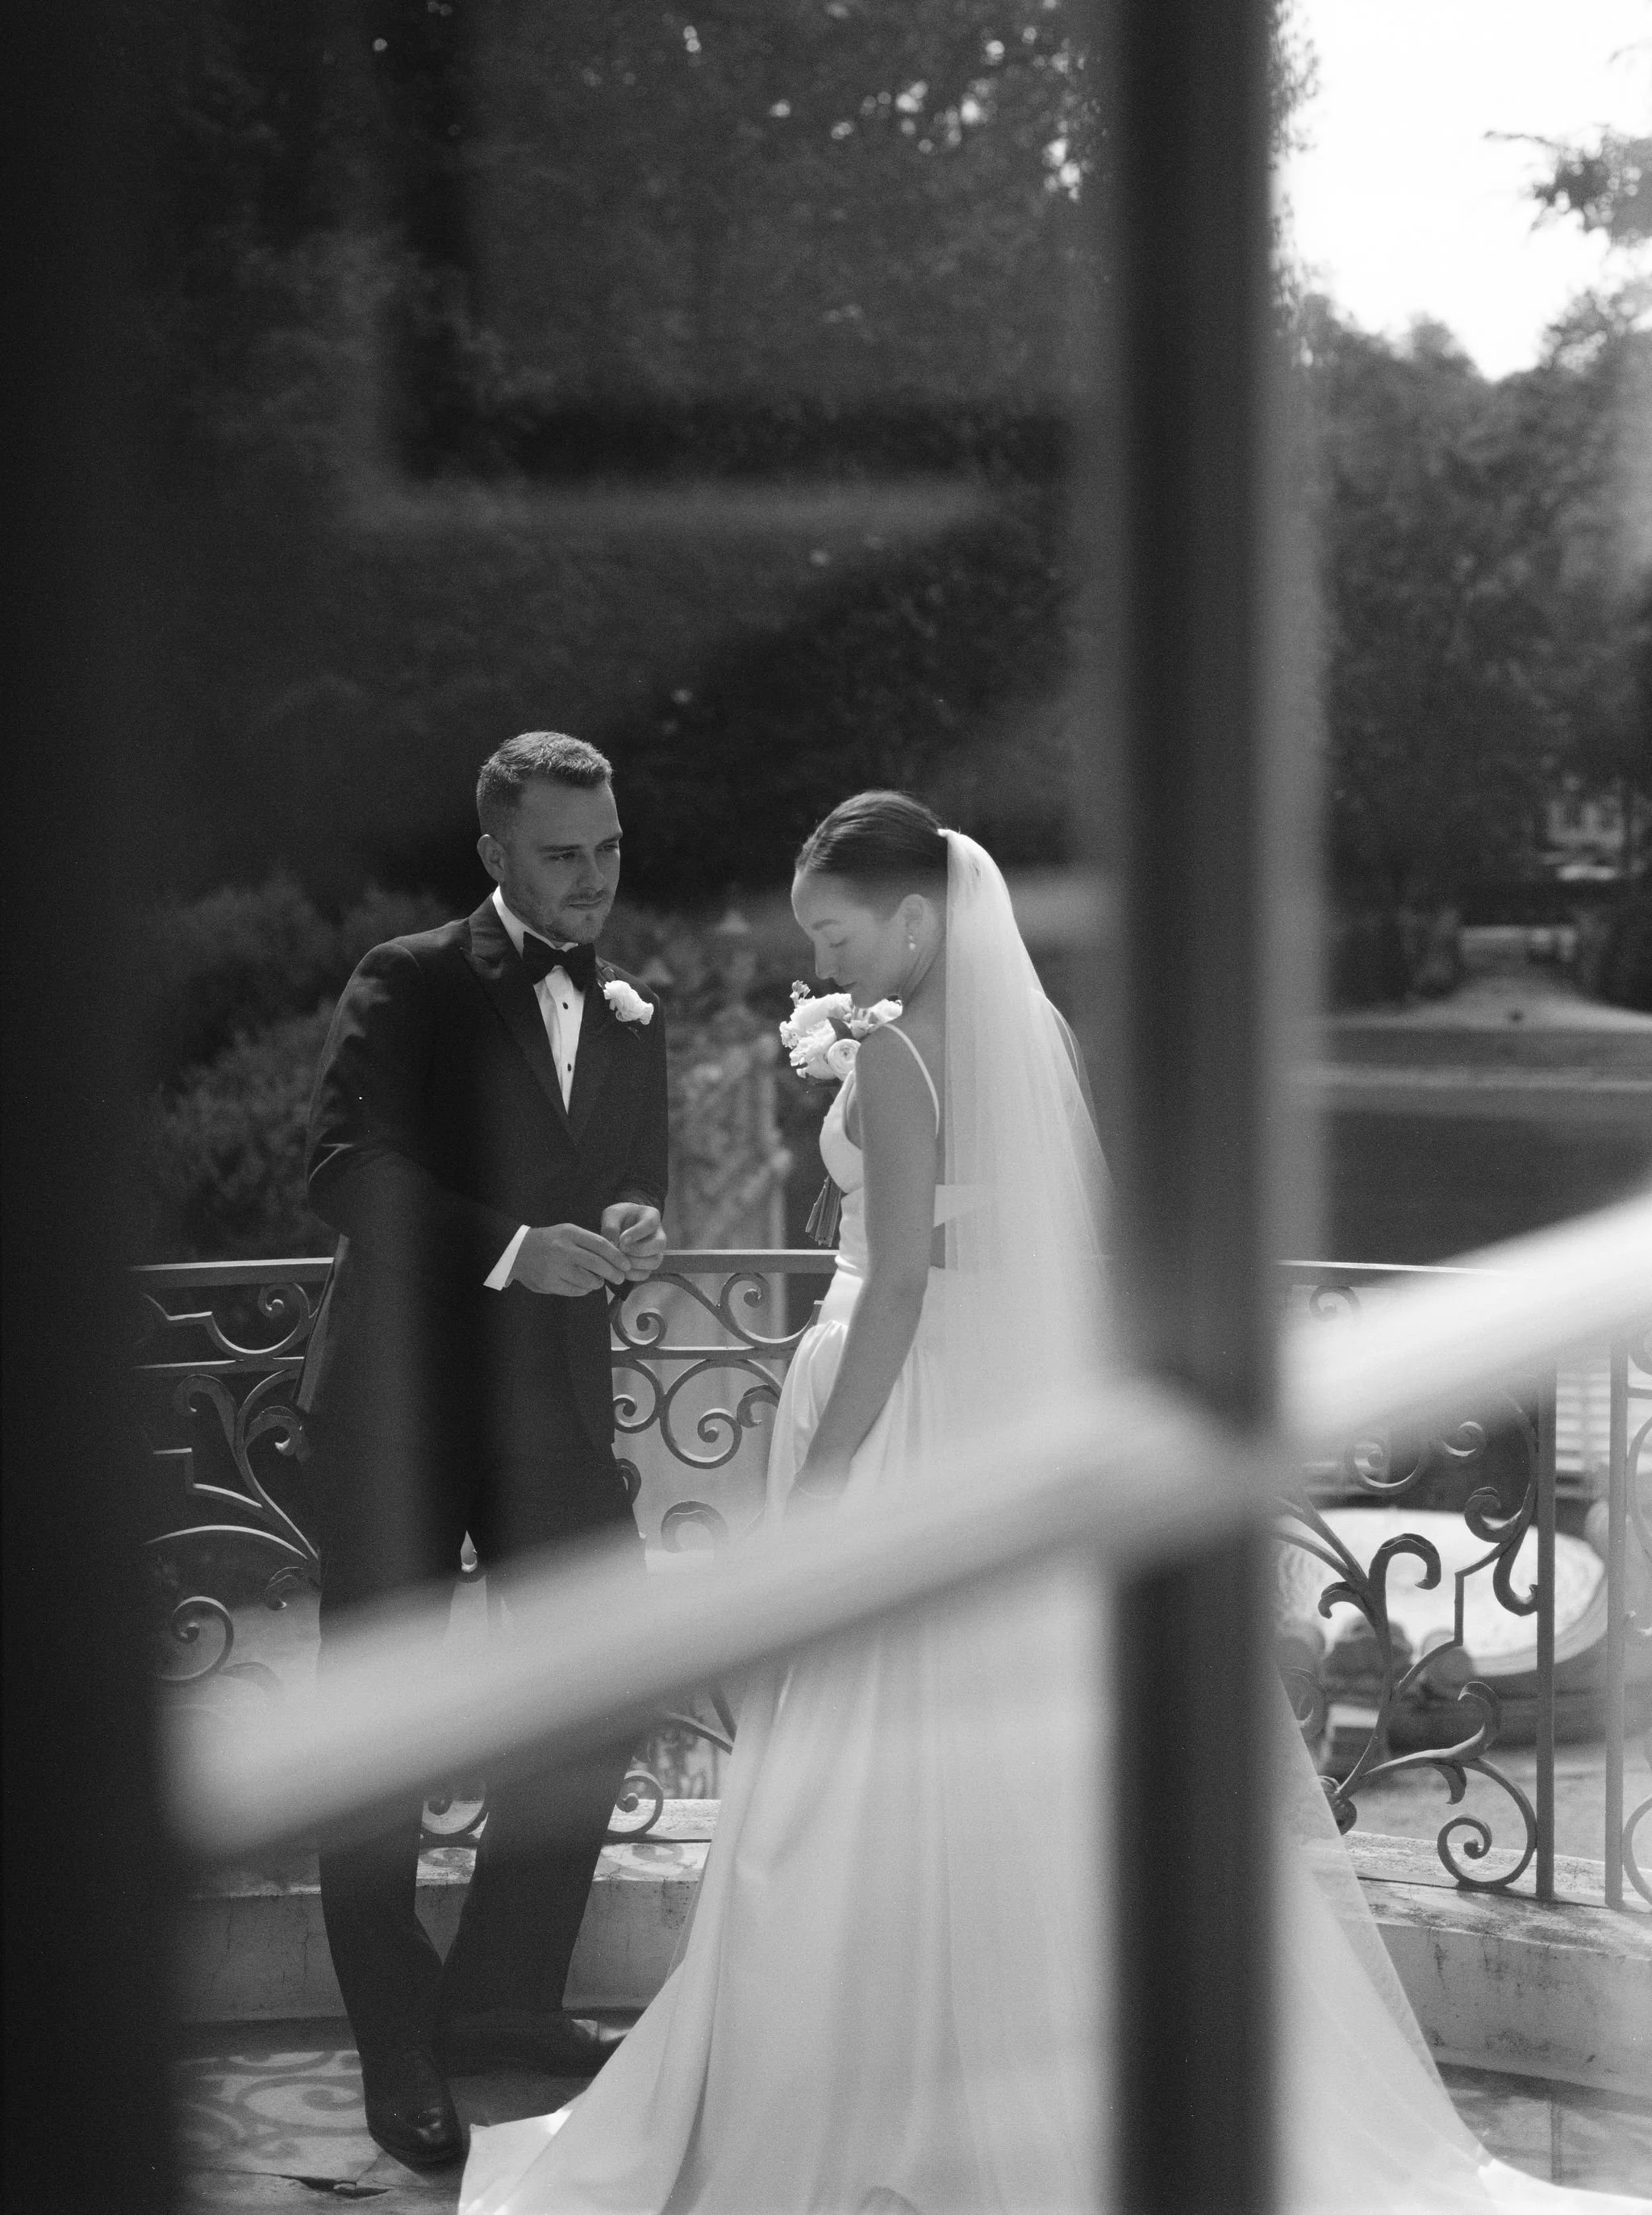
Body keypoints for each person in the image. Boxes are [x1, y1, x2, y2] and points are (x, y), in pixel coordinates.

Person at [459, 794, 1648, 2215]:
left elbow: (894, 1285)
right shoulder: (1015, 1038)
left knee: (850, 1755)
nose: (825, 965)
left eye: (837, 933)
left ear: (913, 918)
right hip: (987, 1411)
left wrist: (820, 1494)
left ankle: (856, 2089)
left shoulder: (896, 1052)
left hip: (900, 1424)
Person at [300, 731, 670, 2171]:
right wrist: (515, 1249)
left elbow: (630, 1171)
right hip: (398, 1410)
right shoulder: (406, 980)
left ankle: (503, 1995)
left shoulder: (634, 1014)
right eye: (564, 853)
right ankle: (398, 2035)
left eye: (611, 849)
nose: (593, 879)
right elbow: (340, 1166)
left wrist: (633, 1221)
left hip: (555, 1416)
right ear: (495, 855)